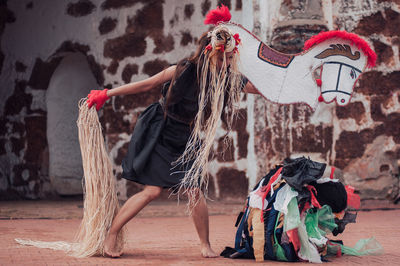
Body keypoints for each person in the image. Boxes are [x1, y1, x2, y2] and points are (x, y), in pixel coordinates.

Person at [87, 9, 259, 258]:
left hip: (187, 137)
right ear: (210, 53)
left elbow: (257, 88)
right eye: (224, 59)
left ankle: (204, 244)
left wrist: (308, 92)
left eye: (231, 59)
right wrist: (107, 94)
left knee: (194, 189)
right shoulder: (181, 70)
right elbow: (146, 84)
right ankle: (112, 233)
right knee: (153, 191)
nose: (228, 64)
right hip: (161, 130)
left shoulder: (226, 77)